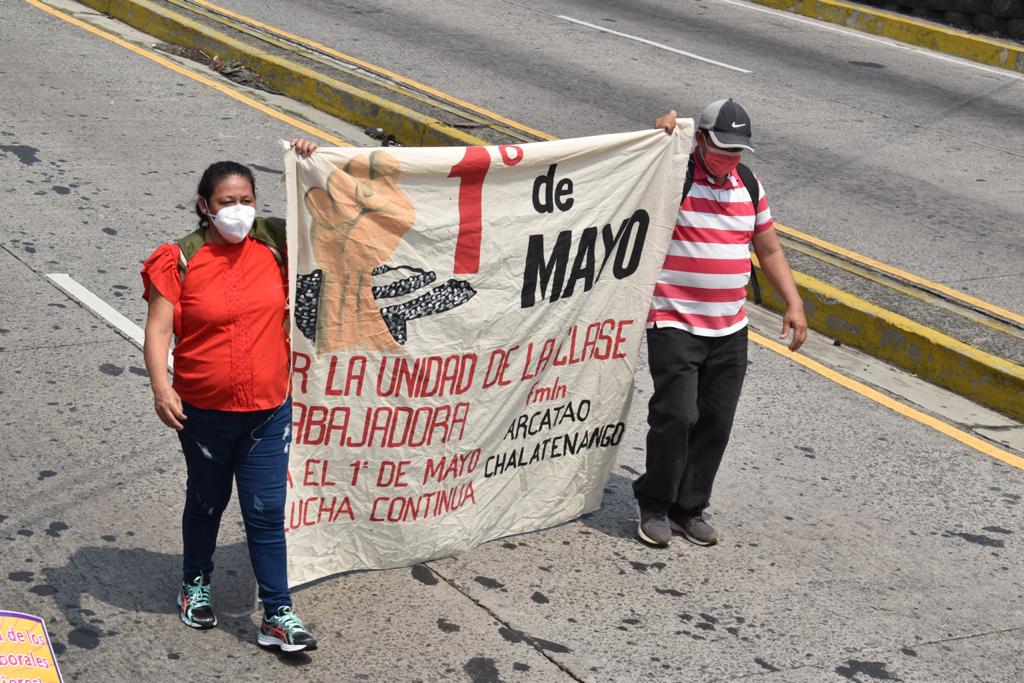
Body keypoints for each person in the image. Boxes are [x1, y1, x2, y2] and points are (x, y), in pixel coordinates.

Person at [141, 139, 320, 653]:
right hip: (204, 415)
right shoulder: (178, 258)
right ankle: (194, 582)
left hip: (268, 411)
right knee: (207, 501)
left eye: (247, 200)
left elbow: (335, 222)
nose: (238, 211)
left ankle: (277, 612)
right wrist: (161, 387)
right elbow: (158, 332)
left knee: (266, 511)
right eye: (225, 202)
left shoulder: (279, 245)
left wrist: (307, 166)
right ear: (204, 205)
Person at [634, 99, 807, 547]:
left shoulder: (747, 184)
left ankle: (688, 508)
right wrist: (661, 135)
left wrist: (793, 301)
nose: (730, 159)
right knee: (677, 414)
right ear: (700, 140)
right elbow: (638, 170)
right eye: (722, 149)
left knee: (715, 420)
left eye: (737, 152)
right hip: (673, 319)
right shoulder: (677, 173)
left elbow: (768, 250)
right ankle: (654, 503)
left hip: (730, 327)